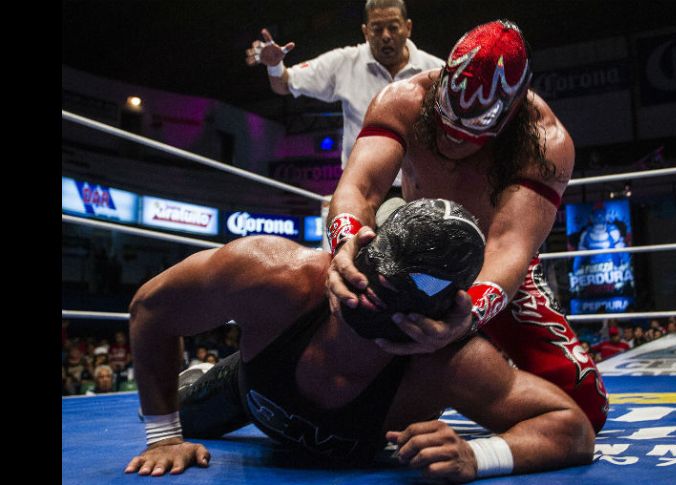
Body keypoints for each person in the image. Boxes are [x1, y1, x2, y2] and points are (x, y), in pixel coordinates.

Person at [124, 199, 595, 481]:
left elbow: (570, 427)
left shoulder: (448, 362)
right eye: (373, 282)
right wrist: (163, 438)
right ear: (361, 250)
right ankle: (207, 374)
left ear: (442, 313)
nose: (372, 302)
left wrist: (479, 455)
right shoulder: (274, 277)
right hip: (248, 387)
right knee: (183, 414)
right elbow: (151, 309)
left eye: (398, 301)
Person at [325, 19, 609, 432]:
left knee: (584, 407)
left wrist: (469, 314)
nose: (453, 142)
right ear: (442, 83)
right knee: (335, 372)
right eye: (446, 124)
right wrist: (346, 244)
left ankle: (474, 358)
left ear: (511, 114)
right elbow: (361, 187)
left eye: (471, 133)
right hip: (409, 255)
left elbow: (508, 247)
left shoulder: (545, 141)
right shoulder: (402, 99)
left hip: (494, 267)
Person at [245, 0, 443, 189]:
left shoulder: (436, 71)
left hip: (420, 187)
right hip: (362, 188)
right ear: (365, 32)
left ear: (408, 28)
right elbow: (285, 83)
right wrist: (274, 66)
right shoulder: (344, 63)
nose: (385, 36)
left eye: (393, 27)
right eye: (376, 29)